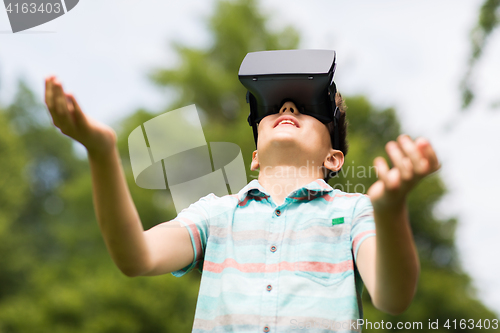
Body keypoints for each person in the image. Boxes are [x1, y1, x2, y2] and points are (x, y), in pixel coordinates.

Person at [44, 75, 440, 332]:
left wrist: (390, 211)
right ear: (254, 156)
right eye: (274, 109)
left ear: (333, 158)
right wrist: (101, 152)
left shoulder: (355, 212)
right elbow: (137, 257)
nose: (287, 108)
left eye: (307, 109)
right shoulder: (215, 214)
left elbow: (393, 297)